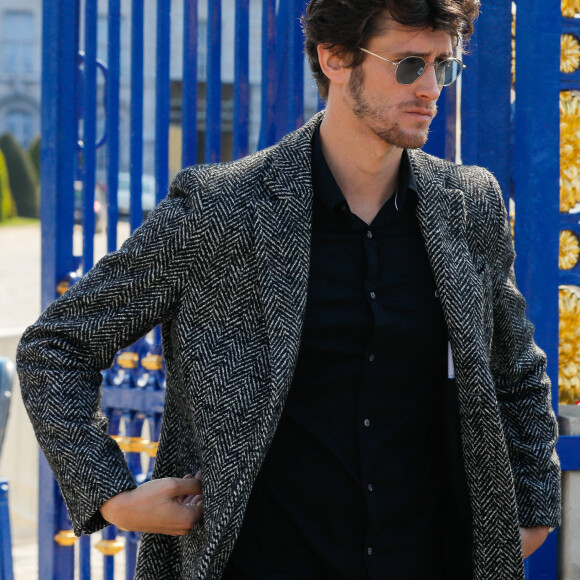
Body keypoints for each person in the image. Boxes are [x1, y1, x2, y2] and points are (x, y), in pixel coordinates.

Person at [17, 0, 560, 578]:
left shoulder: (467, 204)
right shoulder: (221, 208)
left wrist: (531, 512)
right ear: (335, 58)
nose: (430, 87)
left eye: (442, 66)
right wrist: (112, 496)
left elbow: (515, 371)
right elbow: (55, 347)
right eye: (408, 65)